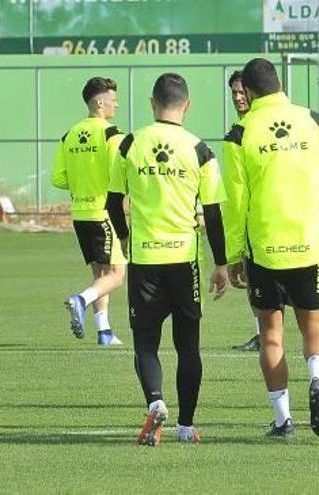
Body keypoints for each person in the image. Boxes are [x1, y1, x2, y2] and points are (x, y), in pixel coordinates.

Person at [106, 73, 229, 445]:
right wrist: (221, 262)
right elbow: (214, 212)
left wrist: (125, 239)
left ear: (151, 102)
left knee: (146, 343)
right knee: (187, 346)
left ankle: (156, 402)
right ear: (187, 105)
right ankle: (187, 426)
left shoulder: (130, 143)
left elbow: (113, 202)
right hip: (184, 260)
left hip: (145, 259)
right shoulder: (199, 149)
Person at [223, 58, 319, 438]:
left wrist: (233, 256)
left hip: (264, 248)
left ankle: (283, 420)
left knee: (271, 334)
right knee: (313, 328)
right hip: (309, 243)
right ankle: (317, 377)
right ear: (278, 83)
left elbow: (235, 201)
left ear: (246, 90)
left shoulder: (239, 134)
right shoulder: (312, 119)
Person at [52, 77, 127, 345]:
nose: (116, 104)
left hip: (79, 214)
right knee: (117, 274)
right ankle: (80, 300)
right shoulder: (111, 134)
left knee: (100, 275)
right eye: (113, 99)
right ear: (99, 102)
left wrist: (82, 178)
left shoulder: (69, 135)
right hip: (102, 211)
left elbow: (58, 178)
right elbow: (118, 174)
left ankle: (104, 332)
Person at [223, 71, 260, 353]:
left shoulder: (249, 131)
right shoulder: (237, 130)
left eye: (241, 91)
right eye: (233, 93)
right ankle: (262, 334)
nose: (237, 97)